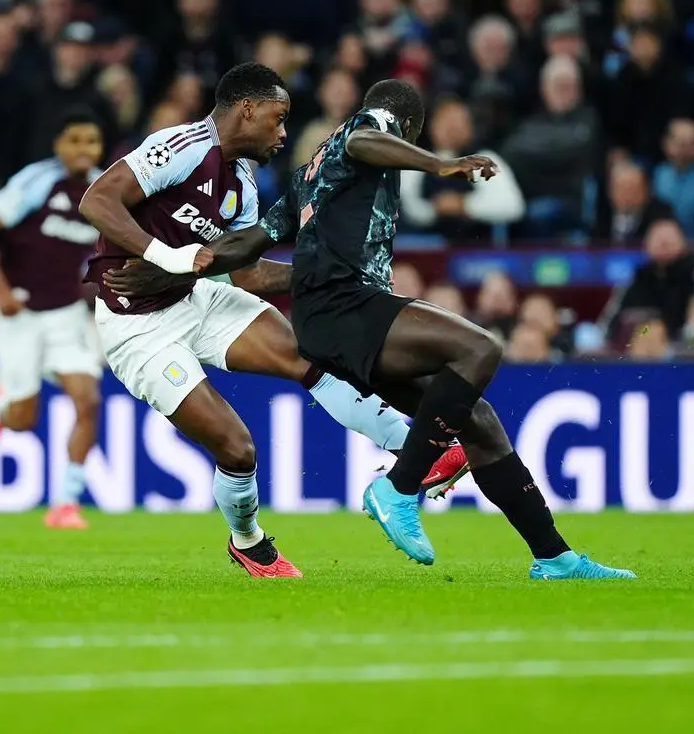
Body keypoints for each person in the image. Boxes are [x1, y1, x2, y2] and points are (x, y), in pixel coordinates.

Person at [119, 80, 633, 581]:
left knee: (480, 422)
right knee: (480, 348)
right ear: (406, 127)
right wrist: (440, 163)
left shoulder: (308, 176)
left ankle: (554, 557)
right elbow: (366, 137)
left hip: (330, 319)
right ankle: (400, 486)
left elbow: (251, 246)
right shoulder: (366, 130)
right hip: (349, 309)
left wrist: (179, 267)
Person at [79, 63, 463, 579]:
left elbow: (249, 276)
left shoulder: (242, 181)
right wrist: (168, 258)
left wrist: (331, 273)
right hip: (136, 327)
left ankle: (419, 450)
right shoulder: (182, 145)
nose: (283, 134)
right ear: (247, 109)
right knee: (238, 450)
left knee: (309, 355)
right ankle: (249, 541)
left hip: (196, 302)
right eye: (278, 119)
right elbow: (97, 199)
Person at [0, 107, 106, 530]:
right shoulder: (37, 180)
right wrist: (1, 291)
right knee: (25, 419)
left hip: (65, 312)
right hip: (20, 311)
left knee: (88, 400)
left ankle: (66, 502)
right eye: (75, 140)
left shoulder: (106, 188)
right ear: (58, 145)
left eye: (92, 141)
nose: (84, 150)